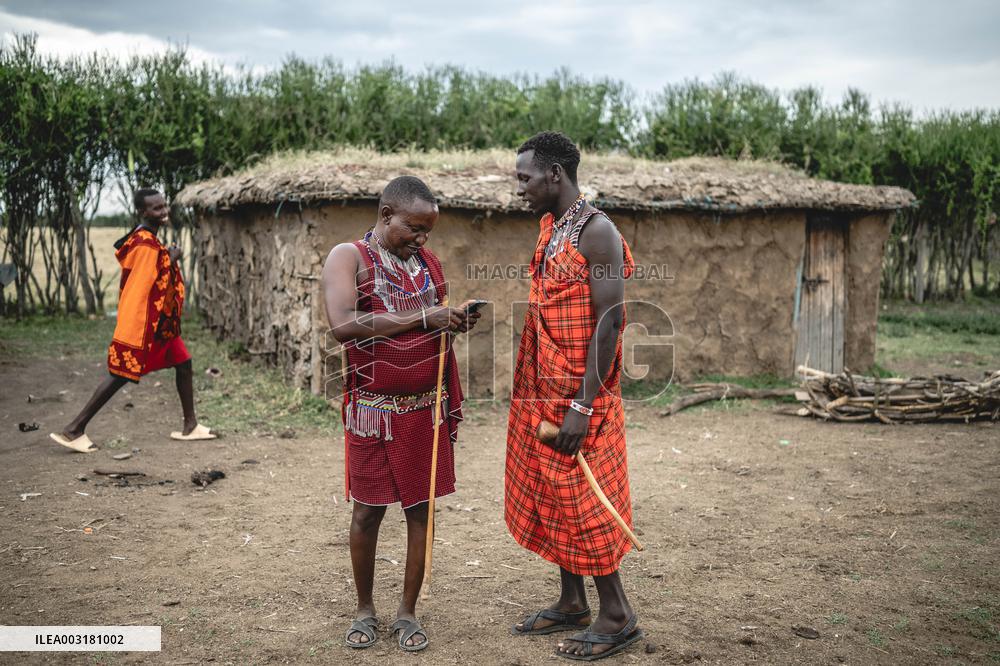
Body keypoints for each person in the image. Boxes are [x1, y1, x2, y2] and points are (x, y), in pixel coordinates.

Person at [321, 175, 481, 653]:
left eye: (427, 231)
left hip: (423, 411)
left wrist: (454, 320)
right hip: (374, 411)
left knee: (421, 511)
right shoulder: (348, 257)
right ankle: (364, 608)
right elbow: (344, 325)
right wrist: (424, 317)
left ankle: (408, 611)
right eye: (413, 228)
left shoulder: (426, 264)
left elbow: (431, 320)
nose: (421, 239)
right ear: (386, 214)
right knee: (368, 512)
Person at [505, 132, 643, 660]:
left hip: (583, 392)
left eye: (525, 178)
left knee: (584, 498)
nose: (519, 188)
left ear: (555, 175)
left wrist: (583, 405)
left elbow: (609, 323)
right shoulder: (552, 230)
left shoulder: (597, 231)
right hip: (545, 386)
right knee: (555, 493)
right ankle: (572, 599)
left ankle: (616, 613)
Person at [50, 188, 215, 452]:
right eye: (156, 209)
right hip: (146, 325)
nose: (163, 212)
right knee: (120, 375)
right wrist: (170, 260)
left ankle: (190, 425)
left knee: (184, 363)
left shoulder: (144, 239)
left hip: (162, 326)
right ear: (142, 211)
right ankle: (74, 429)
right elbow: (143, 285)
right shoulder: (146, 243)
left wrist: (166, 260)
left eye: (164, 207)